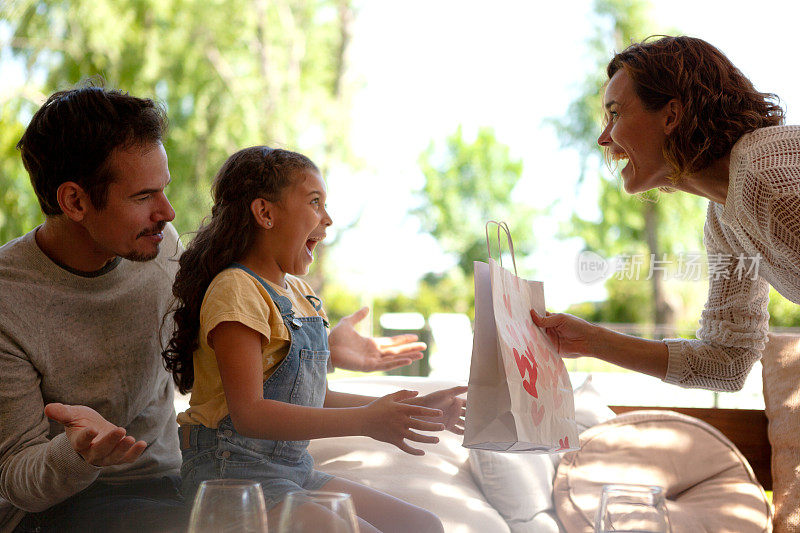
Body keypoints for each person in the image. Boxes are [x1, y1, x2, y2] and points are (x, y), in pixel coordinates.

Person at [0, 84, 428, 533]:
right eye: (143, 197)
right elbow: (15, 479)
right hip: (71, 507)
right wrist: (78, 452)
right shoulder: (10, 299)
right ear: (74, 201)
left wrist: (326, 351)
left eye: (163, 190)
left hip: (174, 481)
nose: (167, 213)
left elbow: (211, 349)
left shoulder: (158, 248)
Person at [162, 146, 466, 532]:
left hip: (292, 471)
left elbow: (311, 397)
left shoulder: (301, 295)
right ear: (265, 213)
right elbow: (250, 413)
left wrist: (414, 408)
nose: (328, 218)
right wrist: (366, 422)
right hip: (230, 473)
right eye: (315, 202)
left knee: (423, 526)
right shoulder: (236, 288)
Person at [531, 35, 798, 389]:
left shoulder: (766, 174)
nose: (604, 138)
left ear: (671, 115)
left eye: (614, 113)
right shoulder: (724, 219)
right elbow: (728, 361)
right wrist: (593, 341)